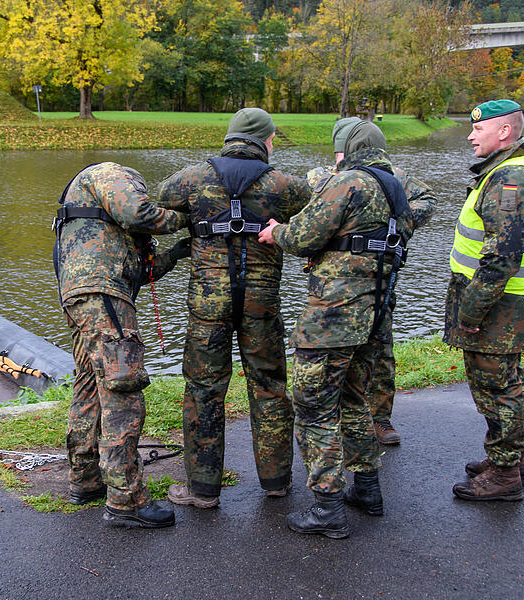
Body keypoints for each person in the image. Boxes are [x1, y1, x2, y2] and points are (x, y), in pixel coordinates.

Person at [259, 121, 414, 538]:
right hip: (375, 316)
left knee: (313, 407)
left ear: (348, 149)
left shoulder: (348, 183)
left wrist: (276, 231)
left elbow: (305, 237)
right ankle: (366, 488)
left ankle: (327, 506)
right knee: (353, 400)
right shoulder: (397, 189)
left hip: (334, 317)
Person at [157, 108, 311, 508]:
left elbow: (158, 202)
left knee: (204, 390)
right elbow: (315, 214)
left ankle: (202, 489)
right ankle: (276, 481)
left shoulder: (192, 178)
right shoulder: (285, 185)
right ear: (264, 140)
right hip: (261, 304)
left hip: (209, 305)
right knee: (270, 387)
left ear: (230, 138)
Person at [53, 162, 191, 527]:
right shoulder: (114, 174)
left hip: (84, 297)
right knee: (123, 391)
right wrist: (186, 218)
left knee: (88, 385)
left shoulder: (100, 212)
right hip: (103, 296)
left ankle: (85, 479)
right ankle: (126, 500)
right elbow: (138, 212)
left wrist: (177, 253)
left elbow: (143, 270)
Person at [446, 100, 524, 502]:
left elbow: (502, 256)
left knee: (496, 385)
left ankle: (505, 473)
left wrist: (470, 310)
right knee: (506, 381)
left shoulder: (511, 178)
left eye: (479, 129)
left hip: (497, 303)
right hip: (505, 301)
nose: (471, 136)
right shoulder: (512, 170)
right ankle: (509, 458)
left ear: (504, 132)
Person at [307, 118, 437, 445]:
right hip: (335, 285)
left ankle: (380, 418)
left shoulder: (393, 178)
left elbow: (427, 201)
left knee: (380, 352)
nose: (340, 157)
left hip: (379, 282)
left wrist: (394, 223)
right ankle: (341, 416)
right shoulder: (325, 179)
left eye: (343, 150)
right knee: (332, 357)